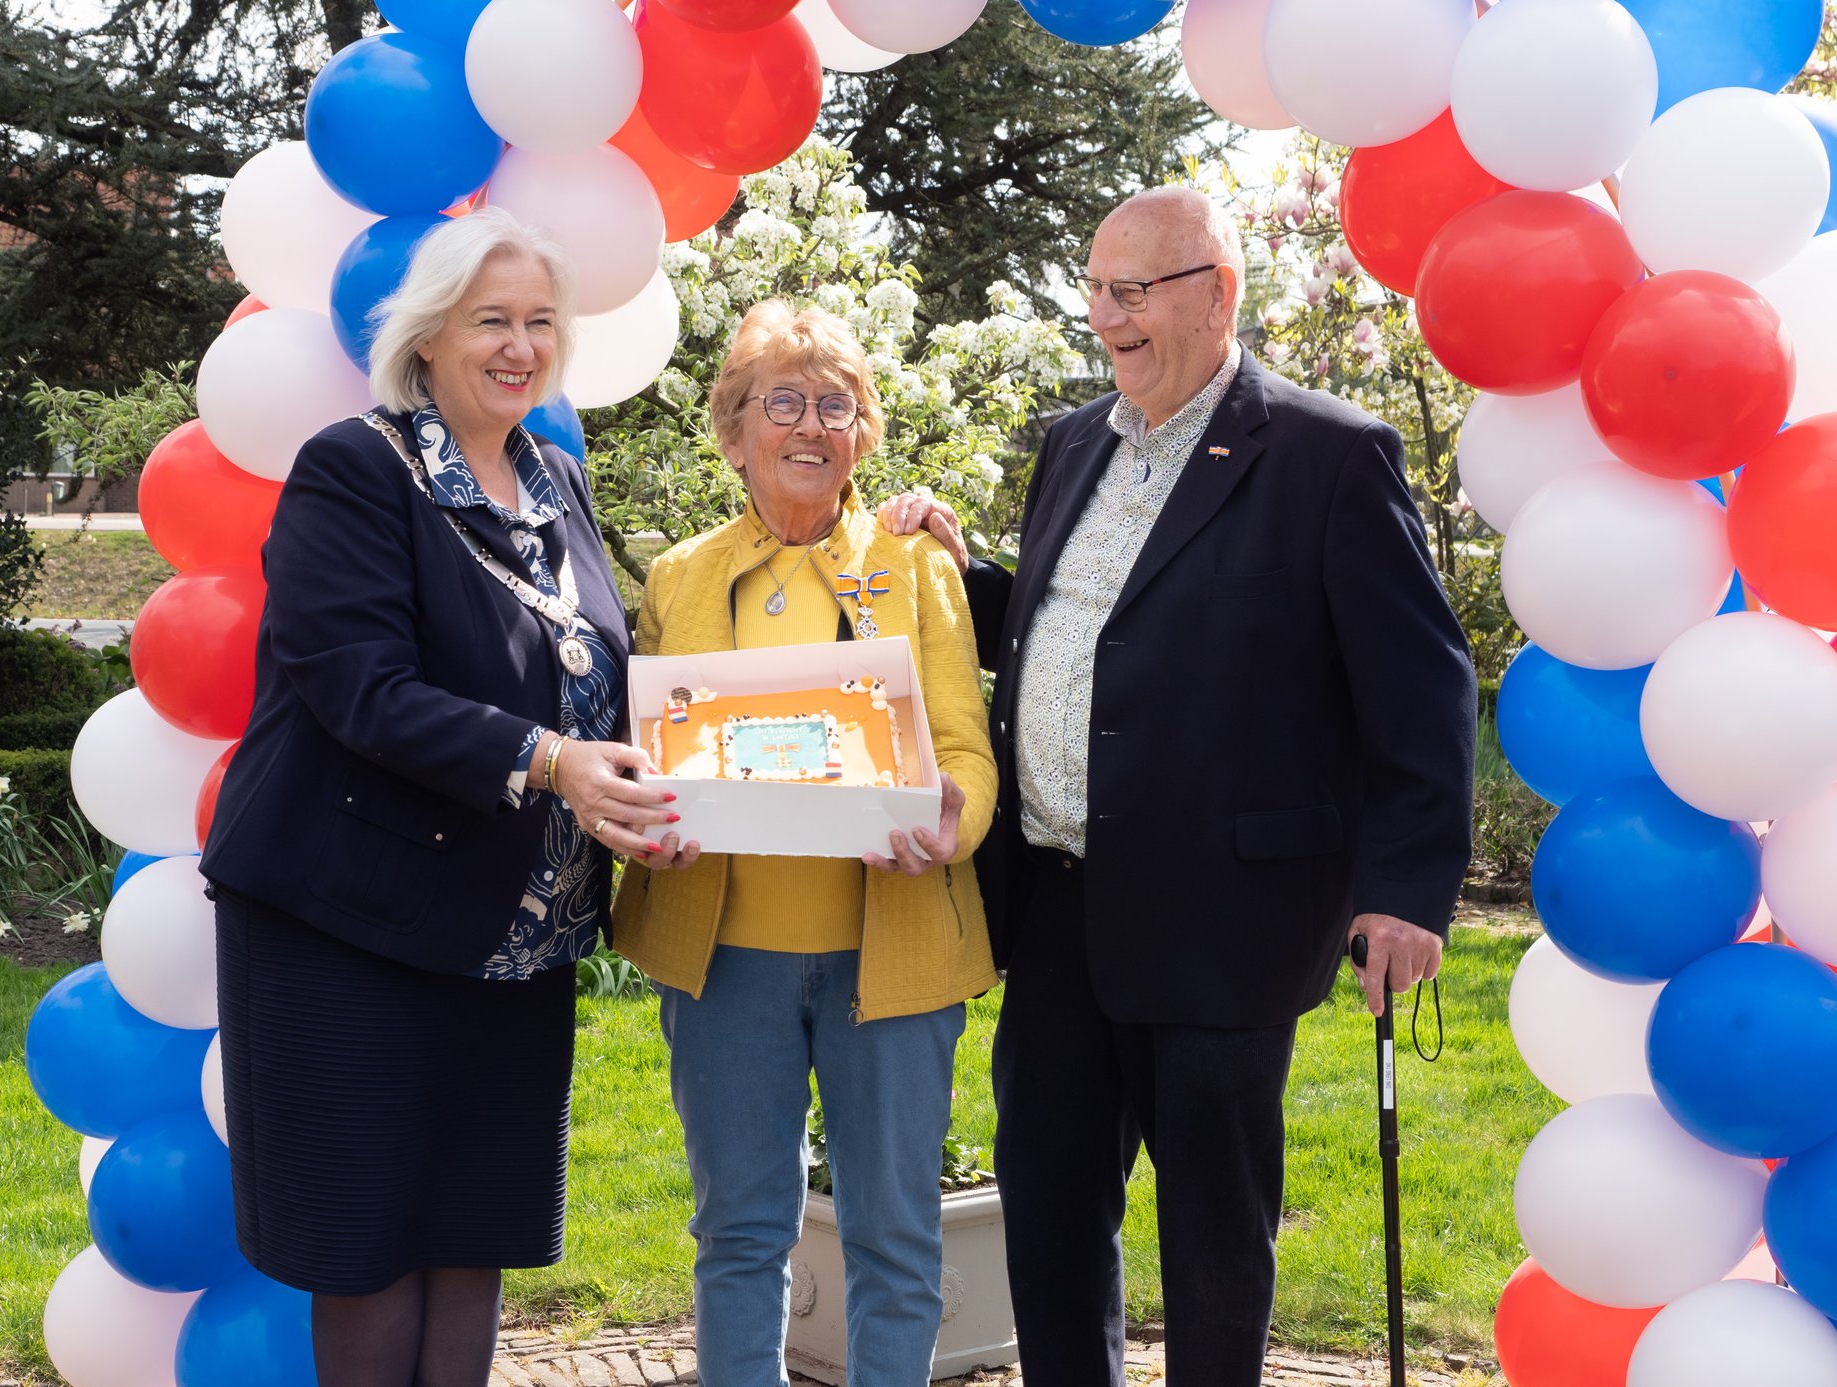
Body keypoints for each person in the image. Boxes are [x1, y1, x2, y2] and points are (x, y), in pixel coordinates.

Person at [883, 185, 1475, 1385]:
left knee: (1212, 1238)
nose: (1108, 316)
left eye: (1135, 290)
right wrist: (969, 580)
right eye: (1097, 290)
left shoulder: (1328, 455)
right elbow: (1083, 629)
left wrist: (1407, 886)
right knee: (1049, 1218)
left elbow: (1424, 687)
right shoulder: (1071, 442)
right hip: (1055, 910)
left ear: (1220, 291)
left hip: (1229, 914)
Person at [198, 209, 674, 1387]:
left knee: (476, 1237)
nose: (520, 346)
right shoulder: (358, 467)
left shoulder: (557, 476)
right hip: (353, 922)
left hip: (515, 942)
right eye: (492, 320)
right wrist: (556, 763)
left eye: (541, 323)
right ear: (429, 335)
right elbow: (359, 686)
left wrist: (669, 777)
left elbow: (589, 671)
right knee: (369, 1250)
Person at [610, 301, 999, 1387]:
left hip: (897, 957)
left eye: (836, 403)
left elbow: (967, 750)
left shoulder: (916, 565)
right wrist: (648, 831)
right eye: (782, 402)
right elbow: (646, 754)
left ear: (864, 431)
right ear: (735, 432)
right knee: (739, 1232)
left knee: (896, 1239)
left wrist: (948, 818)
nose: (811, 425)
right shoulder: (678, 577)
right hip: (723, 955)